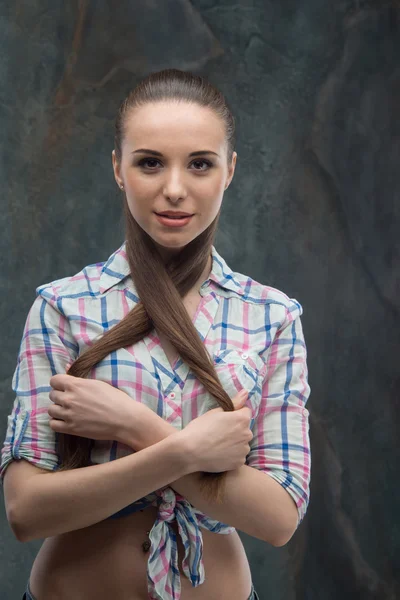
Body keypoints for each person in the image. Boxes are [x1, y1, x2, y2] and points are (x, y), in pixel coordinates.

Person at [1, 69, 311, 600]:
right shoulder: (63, 307)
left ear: (230, 170)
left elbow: (279, 517)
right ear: (118, 168)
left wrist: (134, 424)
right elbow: (26, 511)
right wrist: (190, 451)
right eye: (149, 162)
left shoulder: (271, 316)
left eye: (199, 164)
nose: (174, 189)